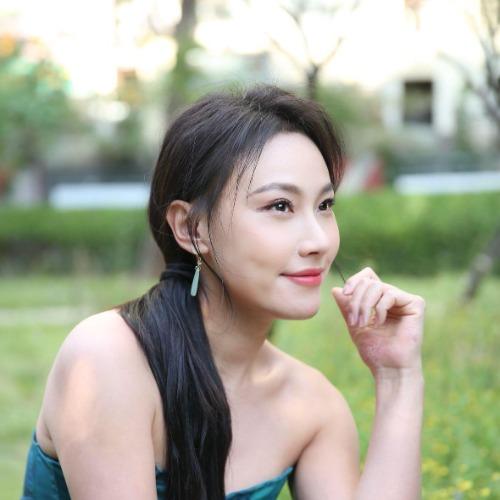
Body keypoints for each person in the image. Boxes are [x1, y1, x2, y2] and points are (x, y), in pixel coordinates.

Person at [21, 83, 425, 500]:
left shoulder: (311, 405)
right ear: (192, 228)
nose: (319, 241)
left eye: (324, 205)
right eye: (280, 206)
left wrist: (398, 377)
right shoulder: (107, 359)